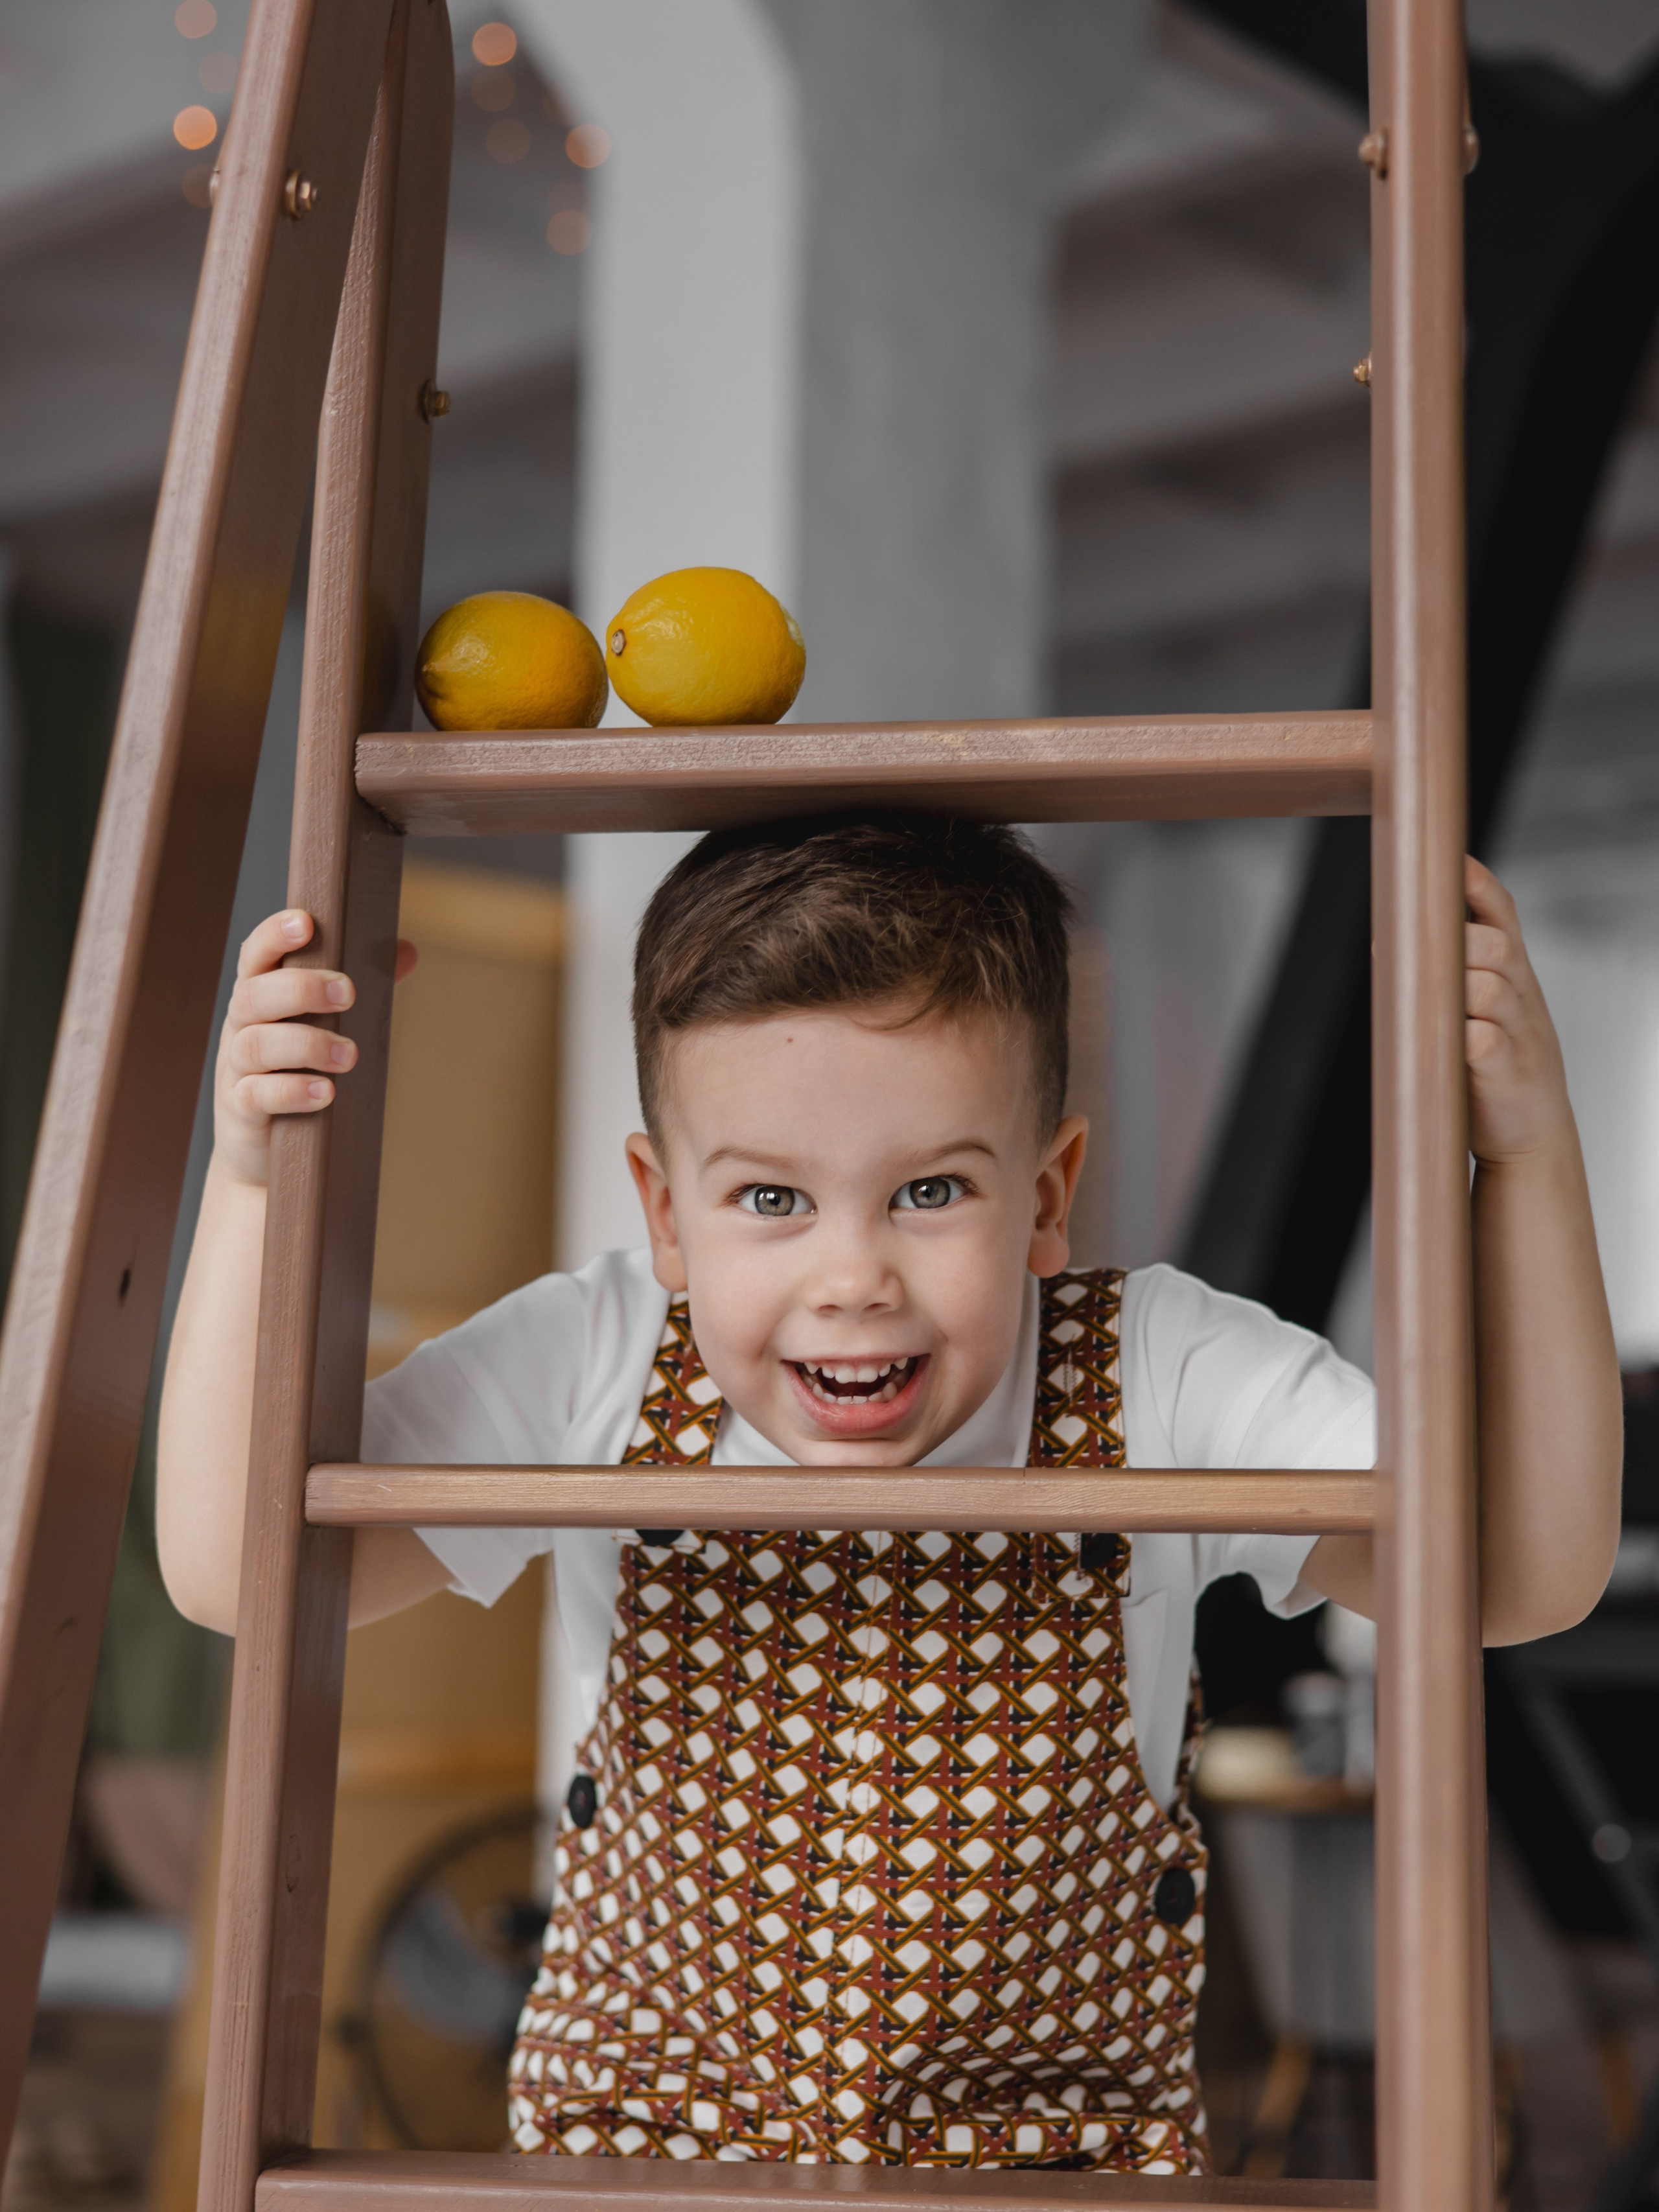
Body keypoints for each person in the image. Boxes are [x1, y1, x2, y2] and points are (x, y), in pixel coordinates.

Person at [157, 811, 1621, 2173]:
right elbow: (237, 1568)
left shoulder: (1159, 1370)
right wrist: (249, 1186)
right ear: (666, 1213)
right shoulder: (598, 1353)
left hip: (1049, 2176)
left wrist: (1531, 1159)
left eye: (928, 1191)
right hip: (644, 2163)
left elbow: (1512, 1574)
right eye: (771, 1200)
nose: (851, 1278)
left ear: (1045, 1197)